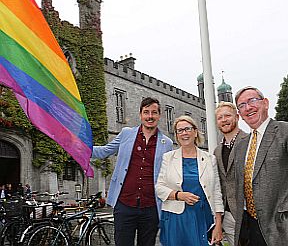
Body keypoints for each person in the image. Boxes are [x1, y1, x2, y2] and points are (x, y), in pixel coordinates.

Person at [92, 97, 173, 246]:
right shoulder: (126, 134)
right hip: (124, 205)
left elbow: (170, 175)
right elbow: (104, 151)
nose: (150, 116)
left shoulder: (166, 143)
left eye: (154, 113)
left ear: (159, 115)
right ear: (140, 115)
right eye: (146, 112)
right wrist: (79, 147)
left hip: (151, 208)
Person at [156, 115, 224, 246]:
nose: (184, 133)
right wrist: (178, 195)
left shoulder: (210, 159)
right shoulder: (168, 158)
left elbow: (216, 193)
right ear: (176, 135)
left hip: (202, 217)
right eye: (180, 130)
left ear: (195, 131)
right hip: (175, 218)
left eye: (187, 129)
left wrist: (218, 224)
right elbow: (159, 188)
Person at [234, 86, 288, 246]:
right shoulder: (241, 145)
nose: (248, 107)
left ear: (265, 103)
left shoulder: (284, 131)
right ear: (240, 115)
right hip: (249, 228)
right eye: (242, 105)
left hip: (280, 228)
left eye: (252, 101)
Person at [214, 102, 247, 246]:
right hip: (227, 215)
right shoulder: (216, 151)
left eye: (227, 115)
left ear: (237, 117)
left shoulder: (250, 141)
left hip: (248, 214)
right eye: (220, 117)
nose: (224, 120)